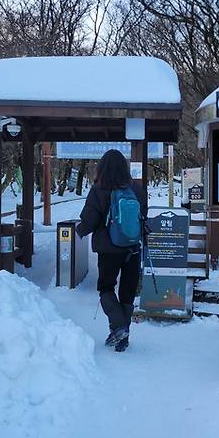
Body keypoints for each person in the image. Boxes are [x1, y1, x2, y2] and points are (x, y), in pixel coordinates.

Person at [77, 149, 147, 352]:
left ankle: (118, 328)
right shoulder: (137, 189)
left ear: (102, 167)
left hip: (109, 250)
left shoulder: (99, 189)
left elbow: (89, 220)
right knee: (127, 293)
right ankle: (122, 338)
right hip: (133, 248)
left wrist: (79, 231)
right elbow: (142, 217)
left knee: (106, 288)